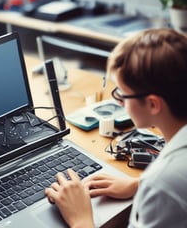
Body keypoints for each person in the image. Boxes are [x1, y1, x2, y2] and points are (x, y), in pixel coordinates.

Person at [45, 28, 187, 228]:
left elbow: (171, 185)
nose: (118, 101)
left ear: (153, 104)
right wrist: (138, 184)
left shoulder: (163, 183)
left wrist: (80, 219)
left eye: (123, 93)